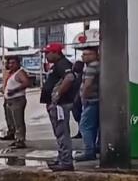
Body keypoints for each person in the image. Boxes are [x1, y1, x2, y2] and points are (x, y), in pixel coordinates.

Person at [40, 42, 77, 172]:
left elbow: (69, 78)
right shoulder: (58, 65)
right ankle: (62, 158)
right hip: (57, 104)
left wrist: (57, 95)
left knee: (62, 133)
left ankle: (66, 161)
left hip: (60, 105)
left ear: (56, 52)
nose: (46, 56)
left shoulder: (62, 64)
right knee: (59, 133)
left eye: (47, 53)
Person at [76, 46, 101, 161]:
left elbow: (88, 85)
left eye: (86, 54)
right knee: (93, 126)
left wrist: (84, 98)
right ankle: (95, 147)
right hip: (96, 100)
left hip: (91, 100)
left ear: (94, 55)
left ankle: (89, 152)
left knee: (84, 126)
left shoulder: (91, 67)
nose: (83, 57)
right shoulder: (98, 65)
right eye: (83, 55)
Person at [2, 56, 31, 149]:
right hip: (10, 100)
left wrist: (14, 90)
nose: (11, 65)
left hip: (17, 99)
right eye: (9, 63)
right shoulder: (11, 73)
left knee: (18, 121)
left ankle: (20, 140)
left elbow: (26, 83)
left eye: (13, 63)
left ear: (18, 63)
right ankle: (16, 138)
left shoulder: (20, 72)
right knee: (12, 121)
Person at [71, 60, 85, 139]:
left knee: (80, 117)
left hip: (78, 100)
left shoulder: (80, 77)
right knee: (79, 117)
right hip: (76, 100)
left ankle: (81, 132)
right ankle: (80, 132)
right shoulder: (76, 76)